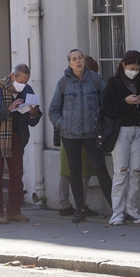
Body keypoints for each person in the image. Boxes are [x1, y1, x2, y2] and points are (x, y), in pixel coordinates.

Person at [48, 48, 112, 223]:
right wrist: (62, 123)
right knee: (74, 171)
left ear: (84, 60)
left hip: (92, 133)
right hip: (70, 134)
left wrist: (102, 125)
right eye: (74, 59)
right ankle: (80, 209)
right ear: (69, 63)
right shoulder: (63, 83)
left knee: (100, 169)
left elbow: (106, 104)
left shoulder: (95, 80)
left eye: (80, 58)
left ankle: (117, 208)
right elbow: (53, 110)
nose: (78, 61)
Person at [102, 51, 140, 225]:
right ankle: (117, 212)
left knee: (136, 172)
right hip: (121, 130)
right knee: (121, 171)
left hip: (138, 129)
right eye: (131, 68)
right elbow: (107, 108)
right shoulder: (114, 83)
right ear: (123, 66)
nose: (134, 71)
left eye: (137, 68)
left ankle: (132, 209)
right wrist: (125, 101)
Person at [0, 64, 42, 224]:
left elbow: (33, 120)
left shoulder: (27, 90)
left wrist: (33, 112)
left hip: (16, 137)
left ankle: (14, 211)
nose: (23, 84)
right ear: (13, 77)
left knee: (17, 175)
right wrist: (8, 109)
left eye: (26, 81)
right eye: (21, 80)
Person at [57, 55, 99, 218]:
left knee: (66, 170)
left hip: (67, 132)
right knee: (80, 171)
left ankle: (64, 203)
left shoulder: (65, 82)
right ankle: (80, 203)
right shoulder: (68, 83)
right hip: (78, 132)